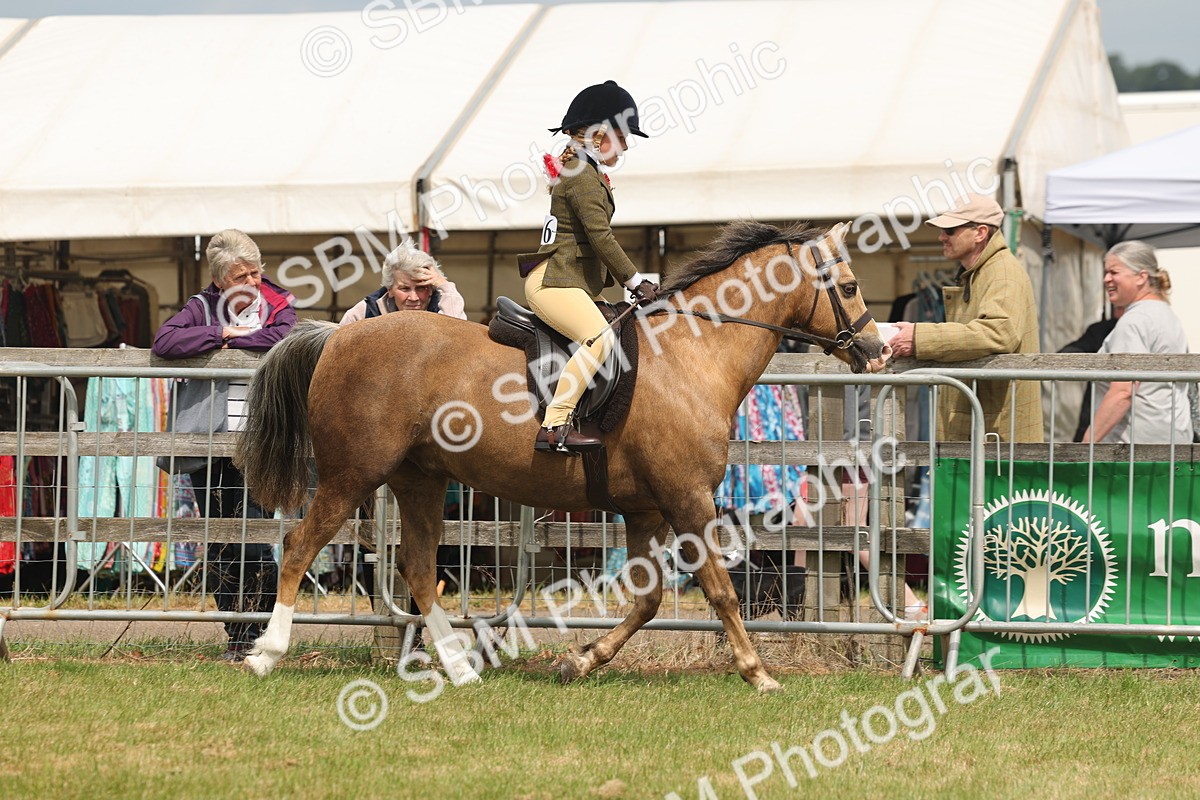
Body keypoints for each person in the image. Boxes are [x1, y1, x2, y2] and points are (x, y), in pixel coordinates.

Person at [152, 229, 297, 662]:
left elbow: (285, 338)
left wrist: (234, 339)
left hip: (261, 439)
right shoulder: (201, 306)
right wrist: (219, 332)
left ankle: (258, 632)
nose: (252, 282)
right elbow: (165, 341)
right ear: (219, 281)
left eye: (255, 272)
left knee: (255, 538)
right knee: (219, 541)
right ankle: (235, 636)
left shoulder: (277, 302)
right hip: (211, 443)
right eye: (240, 276)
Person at [518, 80, 660, 454]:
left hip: (570, 280)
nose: (625, 147)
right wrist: (636, 281)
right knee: (600, 338)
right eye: (622, 137)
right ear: (599, 134)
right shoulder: (581, 173)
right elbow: (601, 237)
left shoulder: (585, 170)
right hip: (554, 281)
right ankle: (555, 425)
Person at [889, 193, 1043, 442]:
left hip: (996, 438)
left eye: (950, 230)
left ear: (980, 233)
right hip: (987, 430)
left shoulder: (1003, 272)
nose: (941, 237)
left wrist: (920, 337)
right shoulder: (985, 271)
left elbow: (999, 332)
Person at [1082, 241, 1192, 444]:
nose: (1106, 279)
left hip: (1134, 446)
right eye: (1105, 273)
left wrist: (1087, 443)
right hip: (1174, 438)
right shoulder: (1168, 315)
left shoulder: (1134, 321)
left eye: (1114, 272)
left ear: (1141, 277)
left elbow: (1123, 390)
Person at [339, 243, 467, 323]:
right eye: (404, 289)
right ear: (390, 290)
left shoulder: (443, 306)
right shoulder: (365, 313)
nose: (413, 298)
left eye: (421, 288)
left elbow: (456, 333)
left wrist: (444, 285)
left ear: (431, 289)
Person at [1059, 305, 1125, 443]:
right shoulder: (1101, 330)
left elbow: (1124, 390)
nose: (1117, 308)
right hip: (1093, 417)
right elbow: (1068, 353)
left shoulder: (1140, 324)